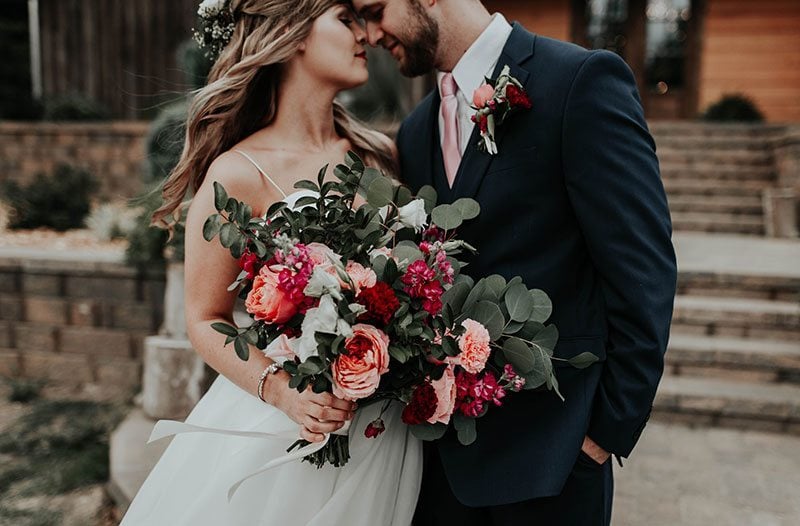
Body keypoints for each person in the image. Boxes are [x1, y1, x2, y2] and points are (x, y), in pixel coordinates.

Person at [352, 0, 678, 524]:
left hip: (553, 463)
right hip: (439, 471)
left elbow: (644, 269)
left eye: (374, 10)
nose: (369, 34)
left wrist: (601, 434)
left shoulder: (578, 82)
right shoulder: (415, 132)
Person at [121, 1, 421, 524]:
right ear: (295, 33)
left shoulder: (379, 157)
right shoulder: (238, 174)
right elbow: (204, 317)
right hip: (289, 433)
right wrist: (286, 395)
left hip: (386, 430)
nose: (366, 36)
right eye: (345, 19)